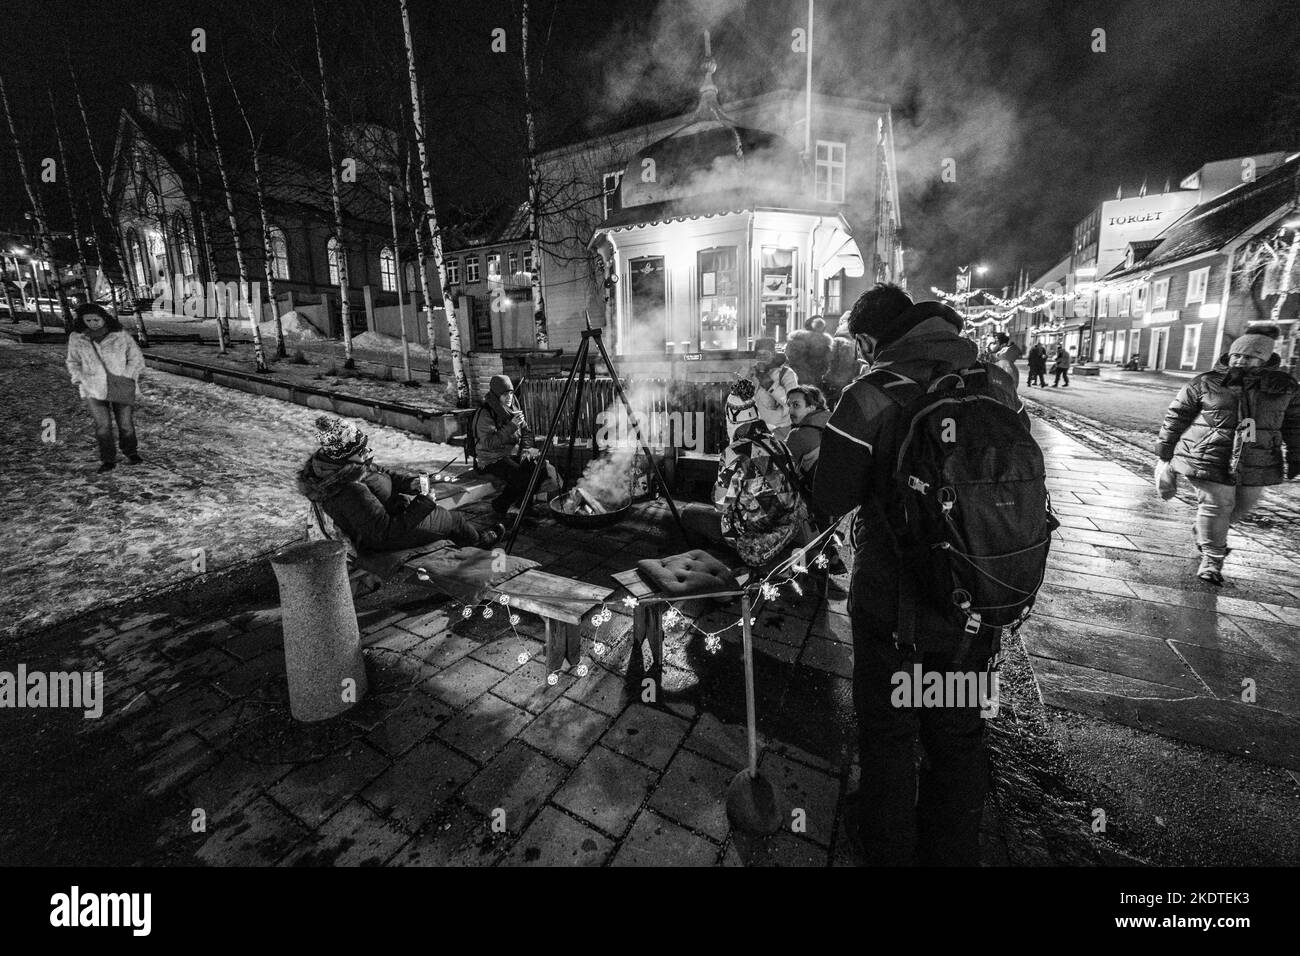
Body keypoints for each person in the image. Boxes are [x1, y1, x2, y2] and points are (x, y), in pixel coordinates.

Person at [812, 282, 1026, 867]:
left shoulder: (869, 394)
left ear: (865, 339)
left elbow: (831, 496)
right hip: (979, 604)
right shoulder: (994, 383)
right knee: (958, 738)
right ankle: (951, 853)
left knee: (887, 734)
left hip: (894, 611)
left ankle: (886, 848)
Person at [1155, 324, 1300, 584]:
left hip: (1257, 458)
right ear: (1230, 355)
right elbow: (1176, 416)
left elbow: (1295, 424)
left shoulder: (1285, 386)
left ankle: (1205, 530)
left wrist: (1296, 456)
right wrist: (1165, 452)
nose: (1242, 360)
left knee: (1242, 504)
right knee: (1217, 504)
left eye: (1250, 356)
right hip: (1207, 454)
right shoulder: (1206, 381)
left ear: (1266, 358)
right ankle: (1212, 559)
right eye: (1238, 355)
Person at [298, 417, 502, 553]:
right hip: (384, 540)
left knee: (442, 516)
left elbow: (383, 474)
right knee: (454, 520)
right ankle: (477, 545)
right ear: (342, 454)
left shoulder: (345, 467)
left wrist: (410, 483)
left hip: (395, 515)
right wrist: (423, 503)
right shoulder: (350, 488)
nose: (367, 452)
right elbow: (384, 534)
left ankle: (464, 540)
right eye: (360, 450)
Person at [65, 302, 146, 473]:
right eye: (88, 320)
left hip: (120, 384)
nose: (93, 323)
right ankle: (108, 459)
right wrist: (80, 377)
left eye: (96, 319)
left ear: (104, 318)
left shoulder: (120, 335)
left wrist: (128, 374)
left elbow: (136, 358)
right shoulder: (77, 337)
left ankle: (131, 452)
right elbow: (73, 361)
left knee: (126, 424)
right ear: (82, 321)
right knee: (103, 426)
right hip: (93, 387)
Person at [473, 374, 561, 516]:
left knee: (540, 470)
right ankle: (502, 504)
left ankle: (523, 505)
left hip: (512, 454)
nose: (509, 397)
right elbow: (488, 443)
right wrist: (511, 426)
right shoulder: (486, 413)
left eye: (510, 393)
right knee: (522, 478)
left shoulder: (513, 407)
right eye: (504, 394)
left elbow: (526, 432)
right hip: (491, 459)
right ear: (496, 395)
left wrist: (525, 450)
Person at [749, 336, 799, 439]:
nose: (762, 358)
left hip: (779, 429)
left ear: (773, 355)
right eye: (759, 354)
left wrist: (769, 384)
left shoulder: (786, 373)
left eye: (766, 354)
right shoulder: (752, 372)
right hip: (755, 427)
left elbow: (791, 402)